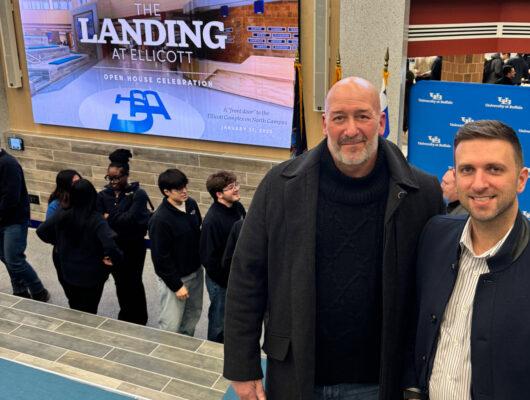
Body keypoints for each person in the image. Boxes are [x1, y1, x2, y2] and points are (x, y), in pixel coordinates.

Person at [224, 77, 445, 400]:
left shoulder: (421, 193)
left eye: (363, 116)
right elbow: (247, 277)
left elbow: (434, 293)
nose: (351, 129)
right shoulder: (279, 186)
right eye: (339, 117)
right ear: (326, 123)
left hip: (379, 381)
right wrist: (242, 366)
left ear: (381, 122)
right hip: (296, 375)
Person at [407, 120, 530, 400]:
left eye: (494, 169)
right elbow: (414, 330)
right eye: (467, 170)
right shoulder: (434, 236)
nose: (479, 183)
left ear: (521, 179)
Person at [36, 179, 122, 314]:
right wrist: (115, 259)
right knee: (90, 310)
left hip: (68, 271)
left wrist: (58, 241)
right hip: (92, 275)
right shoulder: (96, 219)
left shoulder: (62, 213)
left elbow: (41, 231)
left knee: (74, 305)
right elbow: (110, 244)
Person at [97, 149, 150, 325]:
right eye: (109, 178)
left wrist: (110, 217)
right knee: (120, 282)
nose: (113, 182)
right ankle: (126, 316)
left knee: (134, 282)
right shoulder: (103, 195)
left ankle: (140, 318)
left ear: (126, 175)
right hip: (114, 246)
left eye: (117, 178)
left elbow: (131, 220)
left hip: (134, 246)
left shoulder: (138, 194)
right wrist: (116, 218)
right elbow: (99, 222)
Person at [148, 168, 203, 336]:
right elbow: (160, 258)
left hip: (196, 272)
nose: (184, 191)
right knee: (171, 324)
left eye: (185, 186)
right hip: (176, 280)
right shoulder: (159, 220)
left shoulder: (191, 204)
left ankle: (185, 352)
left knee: (192, 317)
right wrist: (177, 285)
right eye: (179, 189)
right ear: (166, 192)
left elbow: (197, 231)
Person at [199, 170, 245, 343]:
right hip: (221, 282)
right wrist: (227, 281)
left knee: (233, 318)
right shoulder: (212, 221)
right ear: (219, 194)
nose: (236, 190)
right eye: (231, 188)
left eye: (236, 185)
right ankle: (215, 351)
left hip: (236, 277)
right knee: (219, 321)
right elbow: (208, 259)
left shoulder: (238, 208)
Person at [0, 148, 50, 301]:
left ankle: (38, 290)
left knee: (14, 259)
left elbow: (11, 198)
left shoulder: (8, 164)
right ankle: (20, 290)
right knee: (5, 256)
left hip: (13, 220)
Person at [46, 169, 81, 304]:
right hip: (64, 251)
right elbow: (47, 231)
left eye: (79, 181)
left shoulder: (85, 198)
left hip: (83, 250)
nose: (78, 184)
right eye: (74, 182)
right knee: (70, 288)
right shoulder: (56, 205)